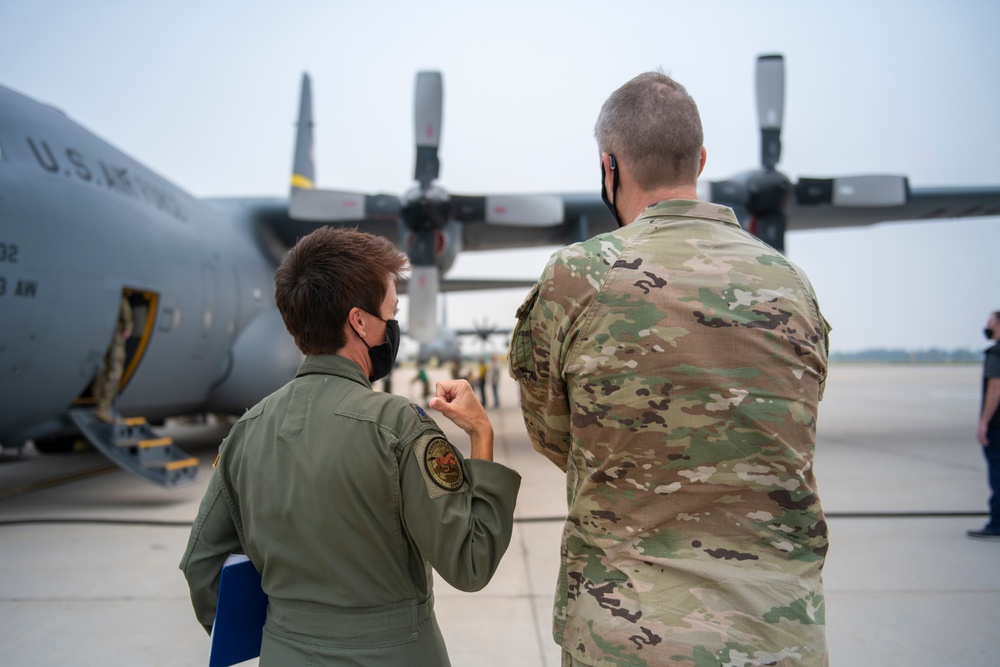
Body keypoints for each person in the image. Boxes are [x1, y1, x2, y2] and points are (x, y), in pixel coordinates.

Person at [509, 71, 831, 666]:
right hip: (777, 635)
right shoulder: (791, 283)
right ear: (701, 159)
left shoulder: (577, 278)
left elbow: (556, 437)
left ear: (610, 166)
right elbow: (793, 424)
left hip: (627, 636)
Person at [180, 227, 521, 666]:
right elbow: (471, 562)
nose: (394, 327)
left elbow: (202, 566)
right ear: (359, 322)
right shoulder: (398, 426)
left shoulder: (247, 430)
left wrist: (281, 636)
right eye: (390, 313)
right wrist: (481, 435)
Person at [968, 310, 1000, 539]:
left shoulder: (995, 354)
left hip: (997, 426)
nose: (987, 326)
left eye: (990, 323)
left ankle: (997, 523)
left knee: (998, 476)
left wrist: (984, 422)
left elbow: (995, 389)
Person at [93, 295, 133, 422]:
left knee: (106, 369)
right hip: (117, 340)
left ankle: (97, 397)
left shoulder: (107, 298)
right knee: (115, 372)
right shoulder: (122, 300)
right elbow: (127, 322)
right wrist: (127, 328)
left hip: (107, 339)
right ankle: (103, 407)